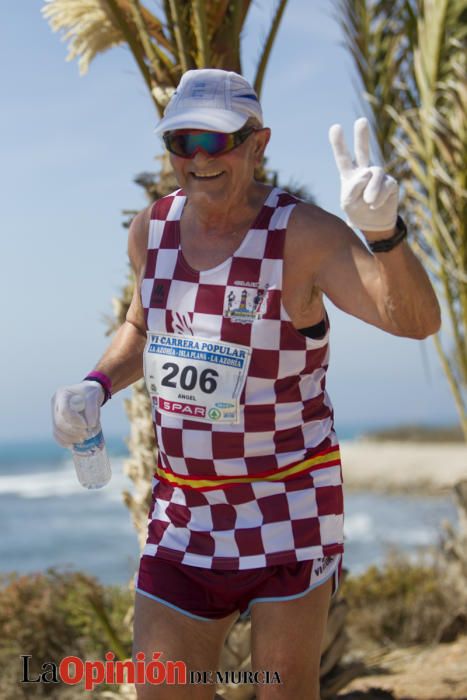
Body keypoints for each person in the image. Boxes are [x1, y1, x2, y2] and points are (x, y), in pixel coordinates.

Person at [51, 69, 441, 699]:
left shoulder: (301, 236)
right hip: (185, 514)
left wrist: (384, 236)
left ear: (258, 144)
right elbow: (139, 325)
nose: (198, 160)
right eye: (183, 143)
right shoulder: (150, 231)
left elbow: (417, 321)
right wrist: (95, 385)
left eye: (217, 142)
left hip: (288, 507)